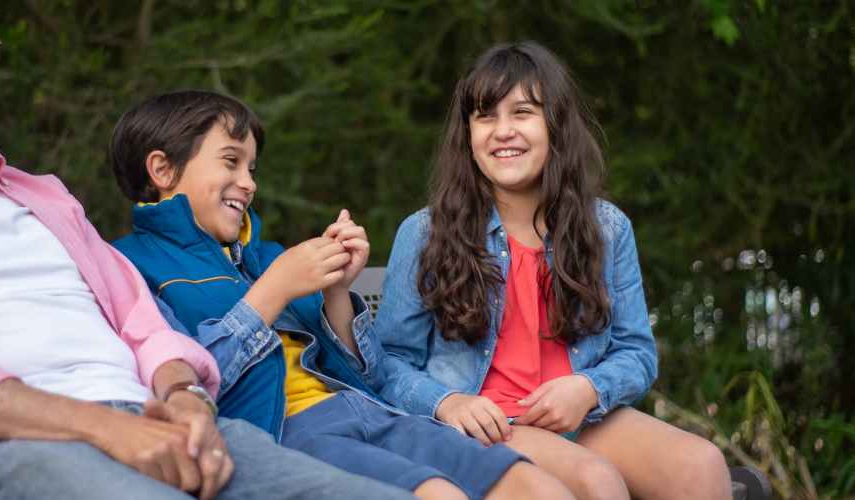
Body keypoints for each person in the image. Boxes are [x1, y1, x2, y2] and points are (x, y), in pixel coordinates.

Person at [0, 1, 418, 499]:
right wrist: (107, 428)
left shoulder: (43, 198)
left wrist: (185, 397)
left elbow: (140, 322)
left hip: (152, 422)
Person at [111, 90, 575, 500]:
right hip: (287, 433)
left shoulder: (267, 255)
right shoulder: (129, 268)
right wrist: (273, 292)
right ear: (162, 168)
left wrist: (337, 294)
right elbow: (184, 383)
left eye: (252, 168)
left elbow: (368, 375)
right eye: (231, 162)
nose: (250, 182)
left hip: (371, 413)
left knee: (536, 488)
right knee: (440, 495)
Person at [373, 41, 733, 500]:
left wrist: (588, 388)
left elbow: (637, 352)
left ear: (555, 125)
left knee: (701, 465)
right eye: (485, 116)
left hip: (582, 416)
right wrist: (448, 402)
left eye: (522, 112)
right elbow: (386, 364)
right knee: (597, 482)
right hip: (491, 425)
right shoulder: (426, 233)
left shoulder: (605, 227)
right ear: (467, 134)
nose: (502, 131)